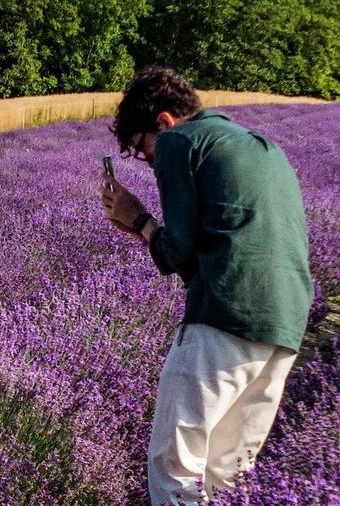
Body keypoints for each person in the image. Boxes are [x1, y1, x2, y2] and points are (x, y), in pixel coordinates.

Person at [101, 66, 313, 505]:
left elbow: (176, 251)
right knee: (228, 474)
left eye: (143, 149)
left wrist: (137, 219)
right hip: (286, 324)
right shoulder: (261, 145)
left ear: (164, 121)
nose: (150, 161)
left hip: (225, 313)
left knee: (175, 465)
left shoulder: (180, 141)